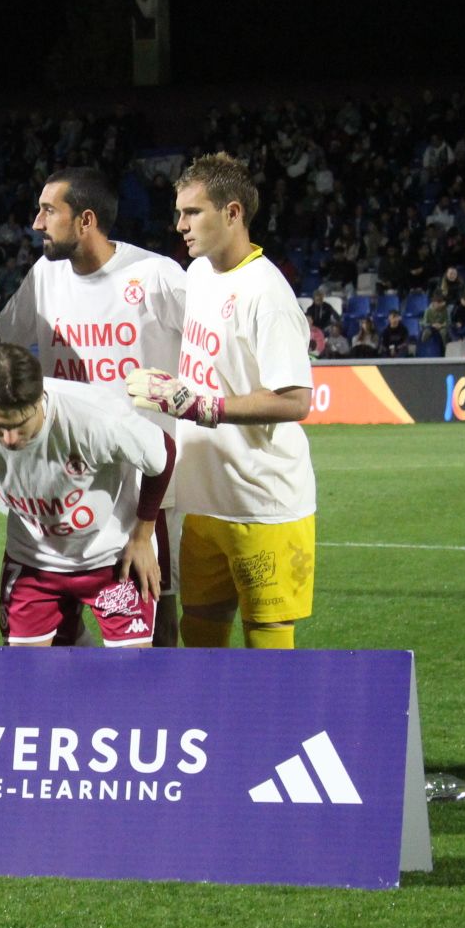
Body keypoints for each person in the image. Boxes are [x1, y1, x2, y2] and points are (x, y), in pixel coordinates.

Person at [128, 152, 315, 651]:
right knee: (202, 633)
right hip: (205, 500)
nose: (180, 225)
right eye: (178, 213)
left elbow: (297, 401)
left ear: (232, 213)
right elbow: (215, 369)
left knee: (267, 648)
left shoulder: (267, 294)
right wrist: (173, 387)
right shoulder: (201, 275)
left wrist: (203, 406)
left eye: (192, 213)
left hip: (262, 502)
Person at [0, 167, 188, 647]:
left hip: (143, 484)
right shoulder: (45, 276)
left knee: (157, 619)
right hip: (62, 482)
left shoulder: (155, 275)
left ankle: (151, 718)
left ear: (85, 220)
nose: (37, 223)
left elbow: (211, 348)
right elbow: (3, 341)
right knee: (55, 629)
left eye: (48, 211)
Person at [0, 345, 175, 648]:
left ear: (40, 399)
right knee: (25, 678)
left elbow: (162, 452)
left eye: (19, 426)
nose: (9, 440)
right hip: (34, 561)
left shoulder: (94, 419)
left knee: (129, 679)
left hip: (112, 558)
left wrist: (142, 537)